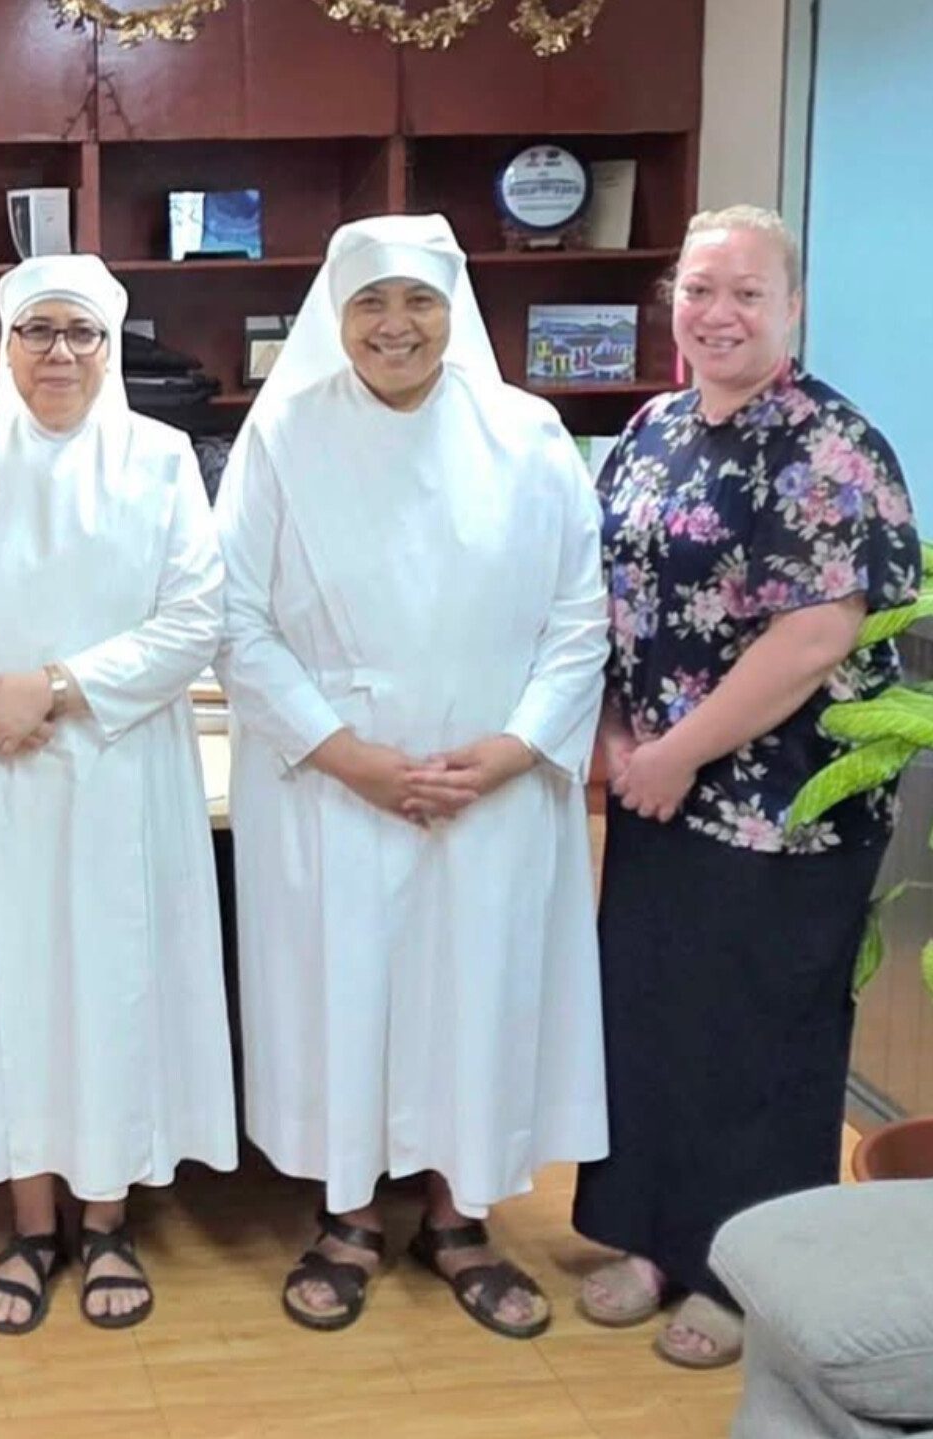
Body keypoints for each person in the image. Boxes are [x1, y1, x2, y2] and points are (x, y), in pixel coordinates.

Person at [212, 214, 611, 1341]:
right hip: (333, 782)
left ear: (454, 306)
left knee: (473, 994)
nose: (396, 326)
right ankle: (345, 1215)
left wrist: (514, 748)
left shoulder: (527, 433)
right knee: (343, 992)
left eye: (419, 300)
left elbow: (580, 618)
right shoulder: (283, 433)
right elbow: (234, 617)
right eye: (371, 303)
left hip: (491, 786)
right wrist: (349, 756)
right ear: (335, 316)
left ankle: (459, 1216)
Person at [574, 204, 919, 1370]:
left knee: (759, 1041)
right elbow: (607, 598)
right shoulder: (652, 429)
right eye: (698, 289)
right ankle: (649, 1237)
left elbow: (815, 633)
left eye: (746, 292)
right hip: (653, 789)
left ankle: (742, 1272)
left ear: (792, 307)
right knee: (653, 1017)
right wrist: (617, 734)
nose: (717, 313)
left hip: (784, 807)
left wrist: (676, 750)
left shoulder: (832, 444)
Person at [0, 255, 237, 1335]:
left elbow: (196, 618)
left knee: (113, 979)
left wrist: (50, 687)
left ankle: (106, 1216)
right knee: (8, 983)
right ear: (4, 344)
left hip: (118, 762)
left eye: (81, 331)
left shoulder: (162, 458)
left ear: (110, 345)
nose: (58, 351)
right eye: (36, 330)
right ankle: (28, 1219)